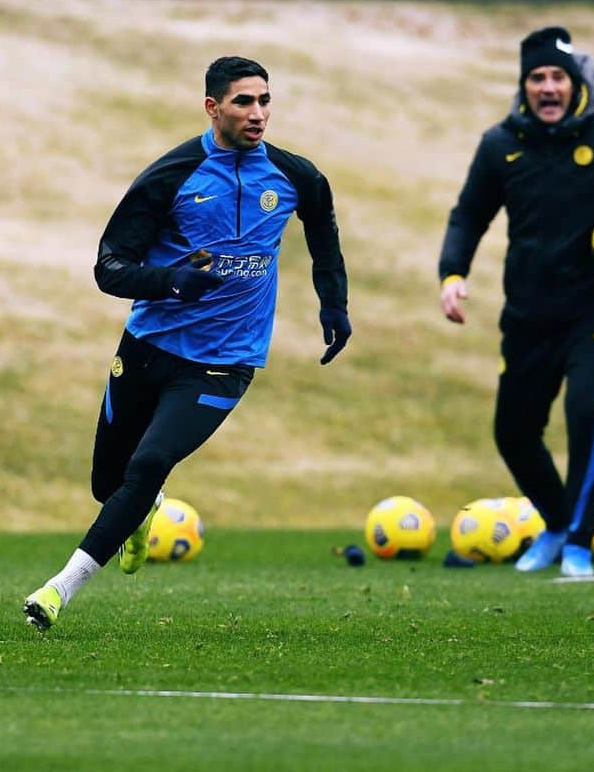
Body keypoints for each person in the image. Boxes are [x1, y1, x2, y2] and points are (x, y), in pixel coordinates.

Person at [24, 56, 351, 630]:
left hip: (227, 361)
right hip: (149, 346)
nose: (258, 114)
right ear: (212, 107)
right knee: (110, 484)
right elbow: (109, 269)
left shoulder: (294, 175)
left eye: (265, 101)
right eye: (244, 102)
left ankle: (58, 590)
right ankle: (142, 508)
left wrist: (334, 302)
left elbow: (322, 226)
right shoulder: (171, 176)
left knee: (151, 460)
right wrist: (171, 280)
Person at [438, 26, 594, 577]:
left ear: (577, 85)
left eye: (558, 77)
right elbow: (468, 216)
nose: (547, 88)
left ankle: (579, 543)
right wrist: (452, 273)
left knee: (586, 416)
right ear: (524, 85)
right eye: (537, 78)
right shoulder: (500, 144)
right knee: (513, 431)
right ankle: (556, 523)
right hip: (526, 315)